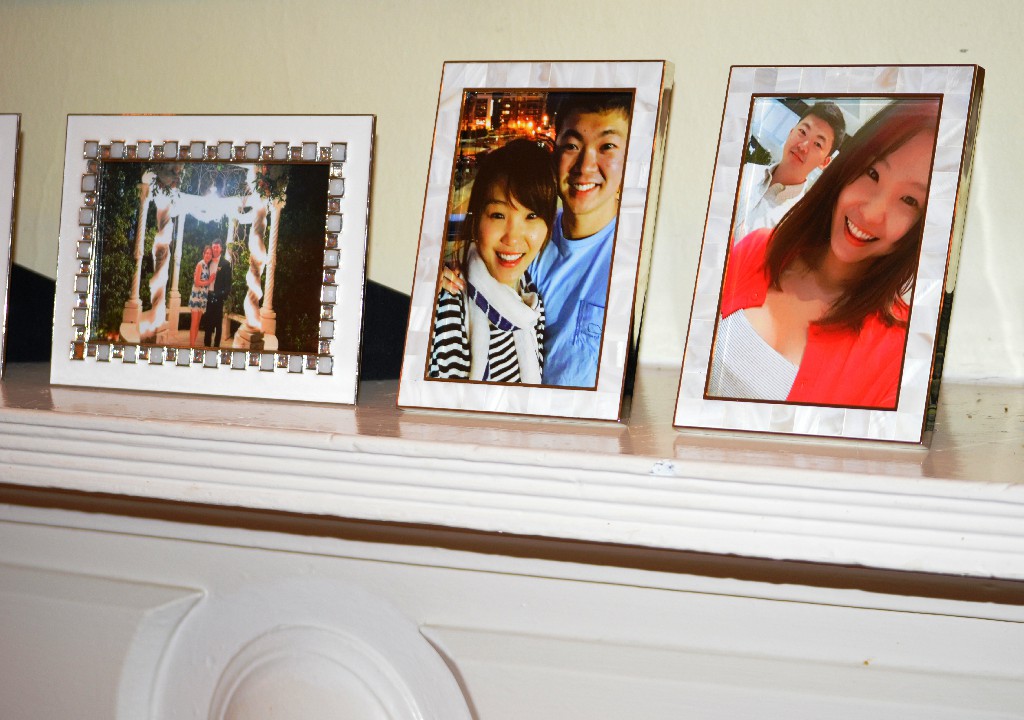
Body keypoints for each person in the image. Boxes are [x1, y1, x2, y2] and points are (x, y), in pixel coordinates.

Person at [707, 98, 940, 409]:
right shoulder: (760, 247)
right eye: (872, 173)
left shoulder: (902, 352)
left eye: (909, 200)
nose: (871, 213)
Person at [443, 92, 632, 388]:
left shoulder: (634, 260)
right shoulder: (529, 241)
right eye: (572, 146)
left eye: (607, 146)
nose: (585, 166)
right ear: (555, 154)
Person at [429, 139, 557, 383]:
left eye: (531, 215)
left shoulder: (531, 300)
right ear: (477, 219)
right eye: (498, 215)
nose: (512, 238)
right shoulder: (451, 300)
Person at [733, 102, 847, 241]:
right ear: (791, 132)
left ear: (825, 162)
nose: (803, 146)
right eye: (803, 132)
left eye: (817, 144)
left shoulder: (798, 223)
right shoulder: (746, 171)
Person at [203, 241, 232, 348]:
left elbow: (228, 285)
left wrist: (221, 295)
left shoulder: (225, 264)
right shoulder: (208, 261)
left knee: (218, 325)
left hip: (218, 298)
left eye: (217, 247)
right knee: (207, 323)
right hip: (208, 297)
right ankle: (206, 346)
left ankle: (216, 347)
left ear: (221, 249)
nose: (215, 249)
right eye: (213, 247)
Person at [188, 245, 214, 347]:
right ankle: (191, 347)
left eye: (210, 254)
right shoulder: (200, 264)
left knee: (197, 323)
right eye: (207, 253)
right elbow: (197, 282)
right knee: (194, 323)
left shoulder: (207, 266)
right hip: (196, 297)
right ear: (203, 254)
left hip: (203, 297)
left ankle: (193, 345)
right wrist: (209, 281)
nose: (208, 255)